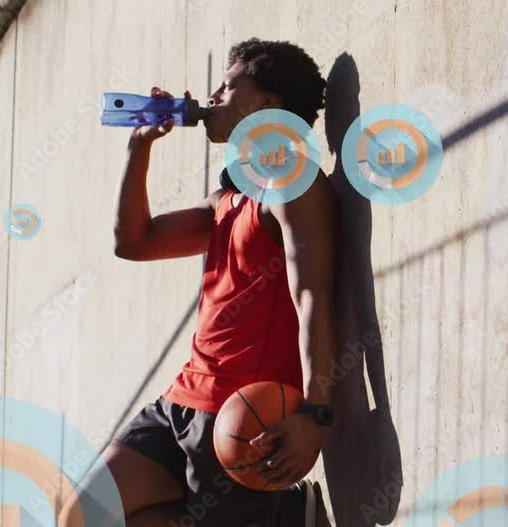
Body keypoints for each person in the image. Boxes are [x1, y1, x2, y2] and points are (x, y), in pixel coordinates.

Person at [60, 38, 337, 527]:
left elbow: (312, 296)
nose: (211, 97)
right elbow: (135, 242)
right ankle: (286, 514)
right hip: (179, 404)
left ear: (267, 106)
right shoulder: (226, 201)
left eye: (228, 88)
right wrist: (139, 148)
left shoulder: (294, 185)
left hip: (241, 416)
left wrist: (315, 415)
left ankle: (285, 512)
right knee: (82, 517)